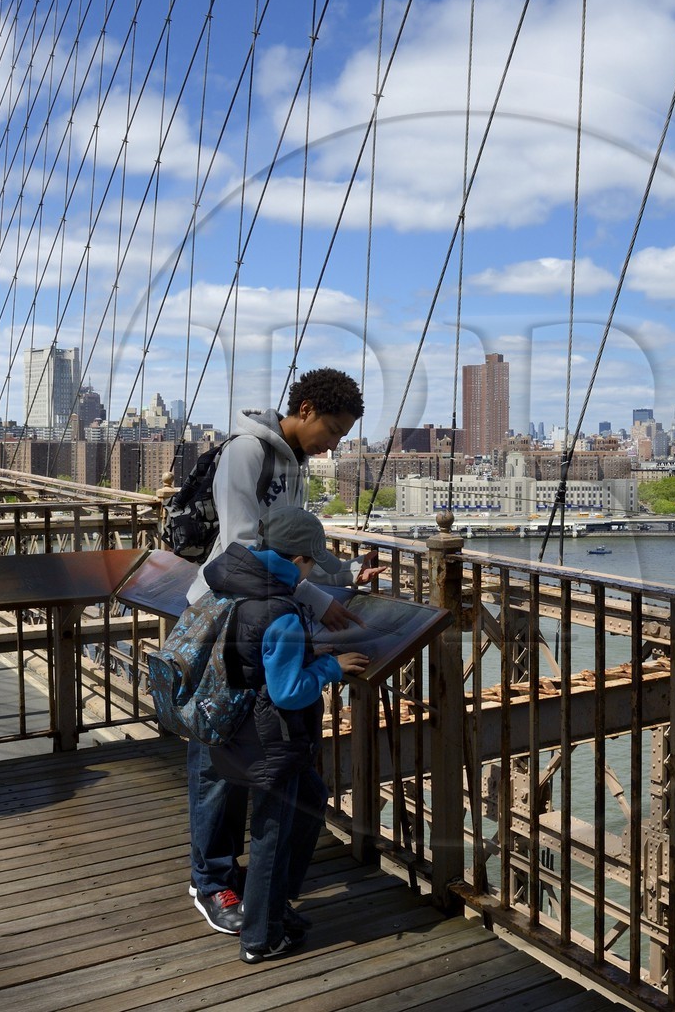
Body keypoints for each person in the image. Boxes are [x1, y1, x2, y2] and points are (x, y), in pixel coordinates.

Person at [185, 368, 383, 933]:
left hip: (265, 614)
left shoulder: (292, 464)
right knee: (216, 754)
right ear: (305, 406)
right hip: (225, 618)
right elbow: (247, 548)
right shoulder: (246, 452)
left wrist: (343, 573)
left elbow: (294, 540)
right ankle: (211, 882)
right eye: (332, 430)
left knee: (246, 746)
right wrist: (320, 600)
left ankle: (243, 876)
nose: (334, 445)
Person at [202, 506, 369, 962]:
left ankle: (275, 907)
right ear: (297, 561)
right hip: (272, 740)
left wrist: (309, 653)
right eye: (312, 561)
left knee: (313, 796)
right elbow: (288, 691)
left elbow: (258, 652)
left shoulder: (237, 584)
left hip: (236, 729)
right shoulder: (282, 611)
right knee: (271, 837)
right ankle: (261, 937)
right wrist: (331, 667)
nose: (312, 569)